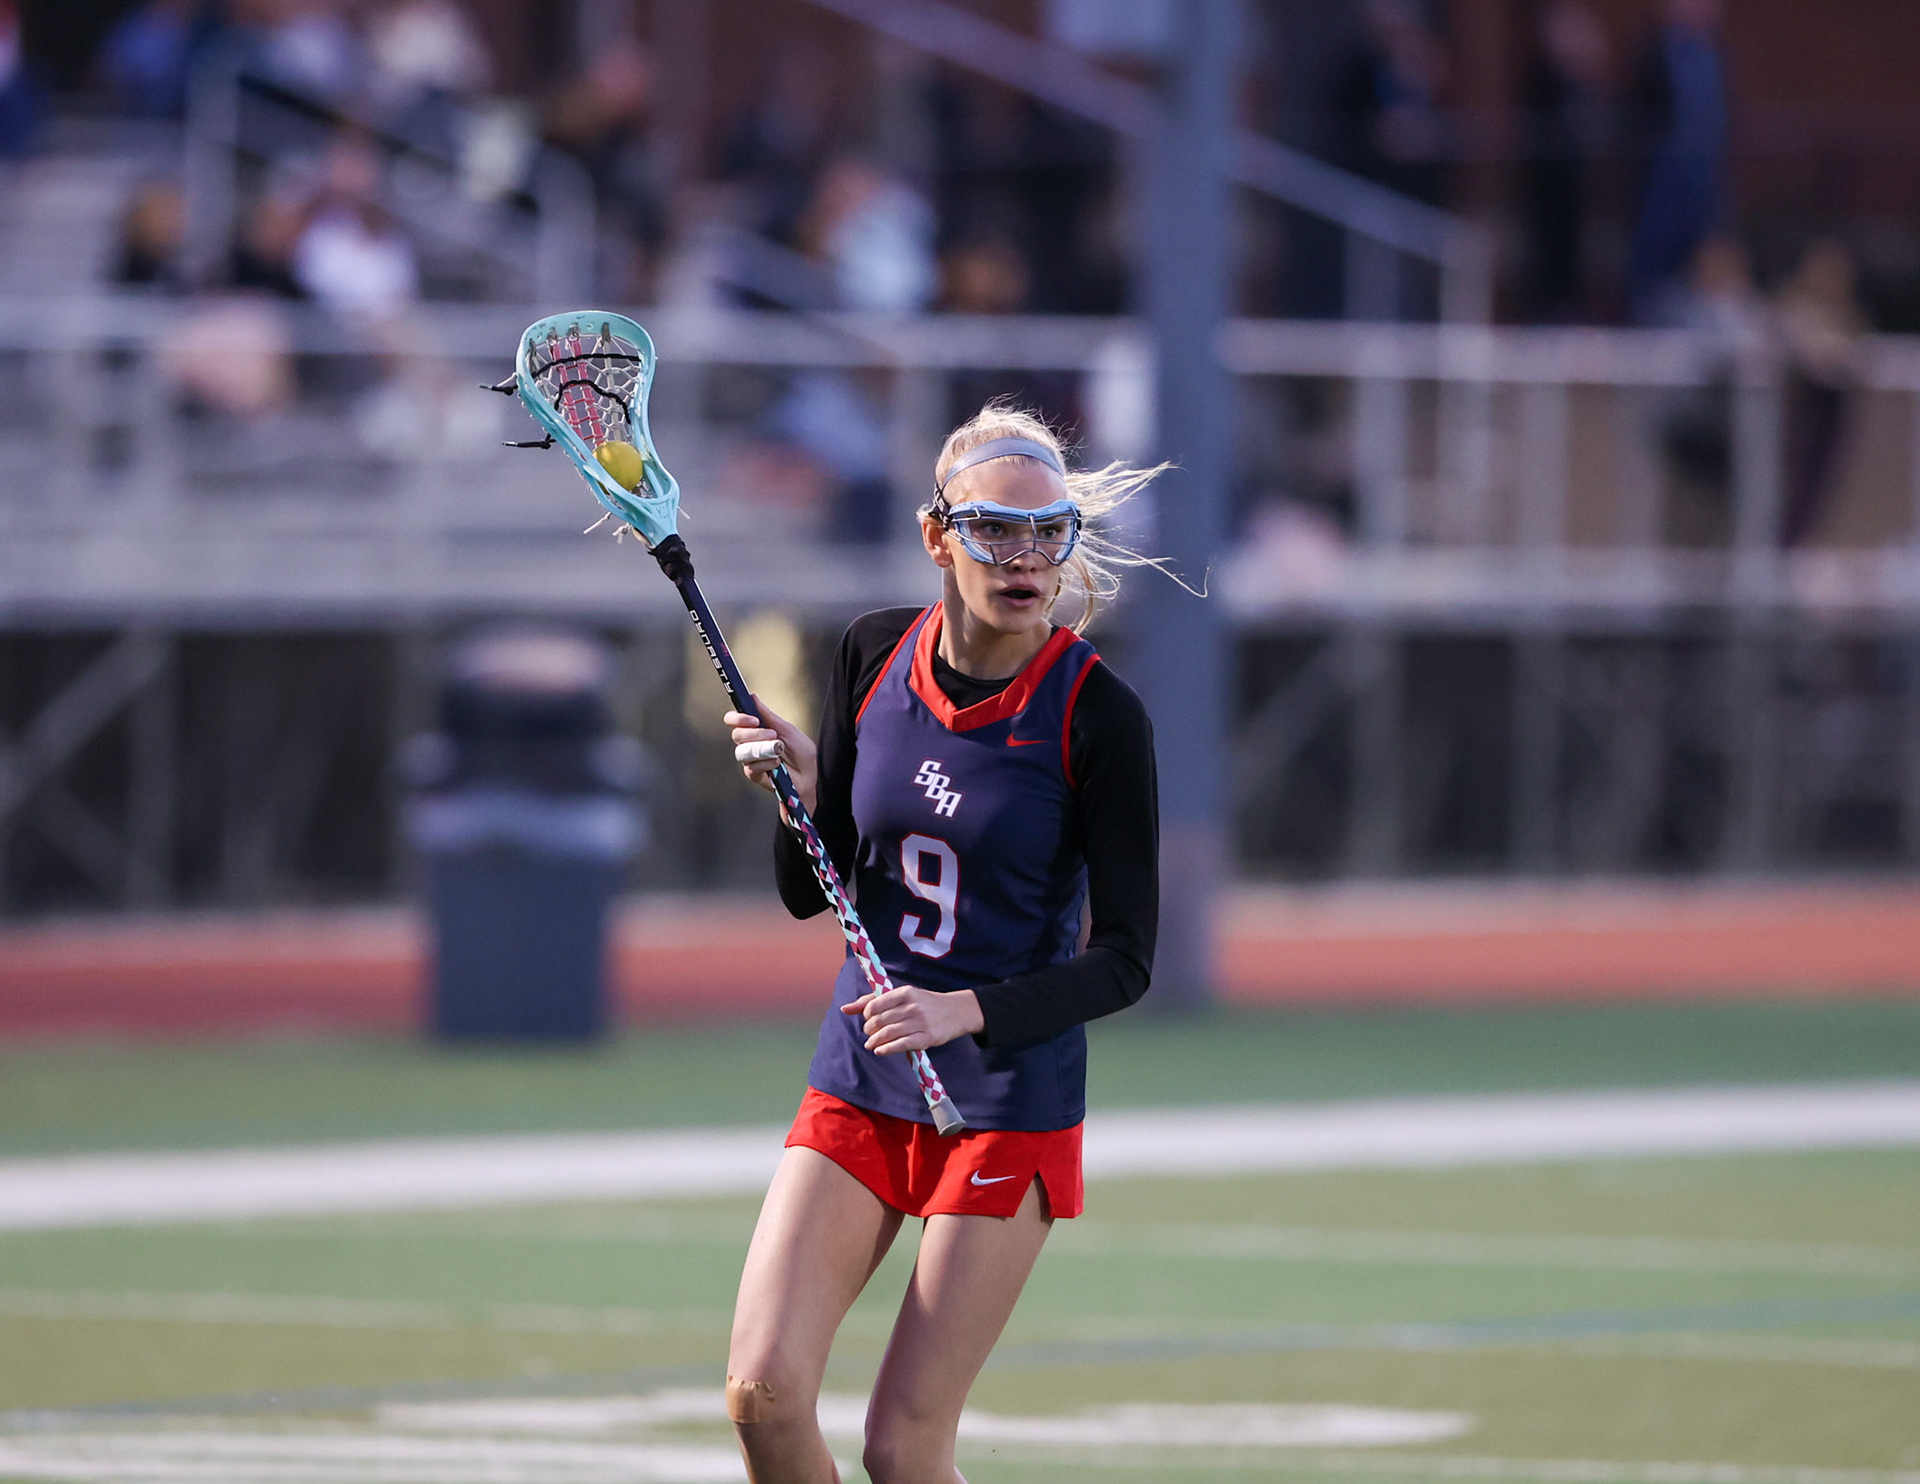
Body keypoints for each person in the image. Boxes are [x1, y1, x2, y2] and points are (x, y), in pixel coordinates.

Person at [719, 404, 1161, 1483]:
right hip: (862, 1071)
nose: (1023, 558)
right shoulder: (870, 651)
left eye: (1047, 532)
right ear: (937, 536)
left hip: (1005, 1101)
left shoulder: (1099, 714)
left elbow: (1128, 958)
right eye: (994, 532)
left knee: (903, 1445)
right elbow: (811, 890)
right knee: (764, 1395)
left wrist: (968, 1008)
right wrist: (800, 793)